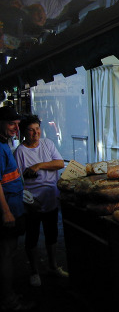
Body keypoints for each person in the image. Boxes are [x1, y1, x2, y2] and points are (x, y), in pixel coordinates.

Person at [13, 114, 67, 288]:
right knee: (32, 237)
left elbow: (59, 163)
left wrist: (39, 165)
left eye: (37, 129)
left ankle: (53, 265)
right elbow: (18, 181)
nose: (35, 133)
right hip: (32, 202)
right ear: (24, 132)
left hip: (51, 197)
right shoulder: (20, 152)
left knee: (51, 235)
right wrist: (28, 201)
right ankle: (34, 271)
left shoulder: (47, 144)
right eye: (31, 130)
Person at [0, 107, 36, 311]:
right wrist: (5, 211)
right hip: (7, 209)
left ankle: (8, 293)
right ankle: (8, 299)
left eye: (17, 124)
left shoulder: (4, 143)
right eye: (11, 123)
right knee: (6, 252)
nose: (16, 127)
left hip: (14, 204)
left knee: (9, 251)